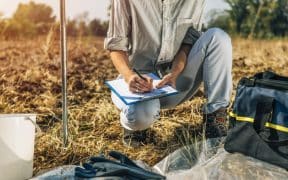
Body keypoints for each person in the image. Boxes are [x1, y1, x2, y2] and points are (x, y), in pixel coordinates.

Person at [104, 0, 232, 147]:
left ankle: (215, 118)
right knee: (139, 117)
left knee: (218, 38)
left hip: (175, 80)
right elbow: (116, 47)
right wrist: (129, 76)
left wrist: (175, 72)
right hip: (138, 82)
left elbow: (188, 43)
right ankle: (135, 129)